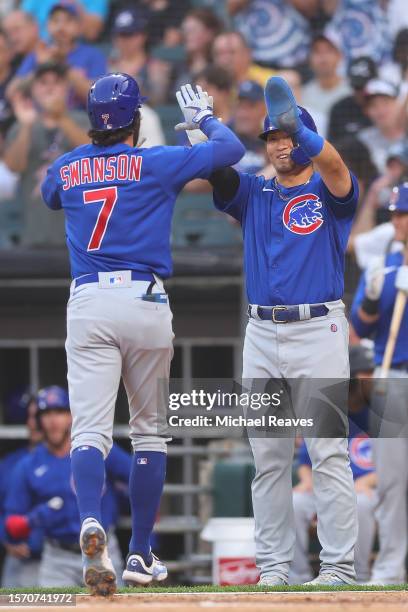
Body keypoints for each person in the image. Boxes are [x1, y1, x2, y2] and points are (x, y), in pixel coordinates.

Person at [40, 73, 244, 595]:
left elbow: (48, 194)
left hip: (88, 301)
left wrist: (79, 160)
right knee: (149, 432)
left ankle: (91, 518)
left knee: (88, 432)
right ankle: (140, 553)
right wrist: (203, 122)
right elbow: (231, 150)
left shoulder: (68, 165)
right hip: (145, 300)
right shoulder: (156, 160)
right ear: (135, 119)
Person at [204, 76, 359, 586]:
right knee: (268, 457)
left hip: (318, 328)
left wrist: (302, 128)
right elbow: (223, 178)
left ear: (307, 140)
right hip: (262, 334)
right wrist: (204, 131)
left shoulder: (329, 190)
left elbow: (336, 167)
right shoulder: (257, 190)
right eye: (272, 136)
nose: (280, 144)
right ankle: (273, 570)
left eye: (289, 135)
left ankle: (337, 568)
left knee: (328, 451)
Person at [3, 386, 129, 588]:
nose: (53, 420)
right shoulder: (29, 464)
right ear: (39, 421)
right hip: (57, 557)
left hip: (102, 551)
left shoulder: (96, 449)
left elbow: (136, 476)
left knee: (111, 608)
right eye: (47, 414)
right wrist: (29, 521)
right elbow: (12, 519)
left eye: (60, 412)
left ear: (72, 416)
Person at [351, 183, 408, 585]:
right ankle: (389, 569)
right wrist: (373, 297)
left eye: (403, 214)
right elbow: (360, 327)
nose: (398, 221)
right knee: (391, 483)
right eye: (395, 214)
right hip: (396, 376)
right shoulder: (383, 268)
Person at [289, 345, 377, 584]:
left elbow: (396, 465)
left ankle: (360, 576)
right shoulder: (330, 411)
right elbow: (306, 461)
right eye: (366, 372)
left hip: (369, 489)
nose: (373, 378)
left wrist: (368, 480)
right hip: (328, 487)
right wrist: (307, 481)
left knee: (359, 502)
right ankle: (298, 576)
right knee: (295, 502)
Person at [4, 61, 89, 248]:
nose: (50, 88)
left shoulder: (82, 119)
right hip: (35, 232)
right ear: (33, 89)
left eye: (56, 82)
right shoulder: (22, 124)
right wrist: (26, 125)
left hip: (79, 235)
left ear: (66, 88)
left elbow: (94, 154)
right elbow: (13, 166)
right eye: (43, 82)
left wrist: (61, 118)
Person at [13, 2, 107, 110]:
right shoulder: (38, 53)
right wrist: (39, 67)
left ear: (79, 27)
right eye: (55, 20)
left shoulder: (93, 55)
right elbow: (12, 92)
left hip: (78, 119)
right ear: (47, 26)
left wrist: (63, 66)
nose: (61, 26)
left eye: (68, 20)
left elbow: (98, 98)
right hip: (40, 121)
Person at [0, 392, 43, 588]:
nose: (35, 423)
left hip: (63, 558)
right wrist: (4, 536)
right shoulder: (11, 463)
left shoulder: (74, 461)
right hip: (19, 558)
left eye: (41, 415)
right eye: (31, 416)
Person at [212, 31, 300, 95]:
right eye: (219, 54)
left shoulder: (268, 82)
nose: (225, 59)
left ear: (247, 54)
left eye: (231, 52)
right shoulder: (210, 88)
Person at [301, 33, 351, 137]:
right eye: (317, 52)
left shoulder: (351, 90)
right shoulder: (303, 94)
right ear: (309, 59)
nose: (323, 57)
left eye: (328, 51)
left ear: (339, 56)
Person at [357, 79, 405, 175]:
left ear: (398, 104)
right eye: (373, 105)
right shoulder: (361, 141)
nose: (380, 110)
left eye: (386, 103)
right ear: (367, 111)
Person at [327, 56, 377, 143]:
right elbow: (332, 147)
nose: (361, 92)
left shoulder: (386, 108)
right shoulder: (339, 110)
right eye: (357, 87)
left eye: (364, 86)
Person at [20, 0, 109, 42]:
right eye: (56, 21)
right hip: (43, 48)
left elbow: (92, 34)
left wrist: (75, 4)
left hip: (78, 49)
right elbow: (22, 27)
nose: (61, 26)